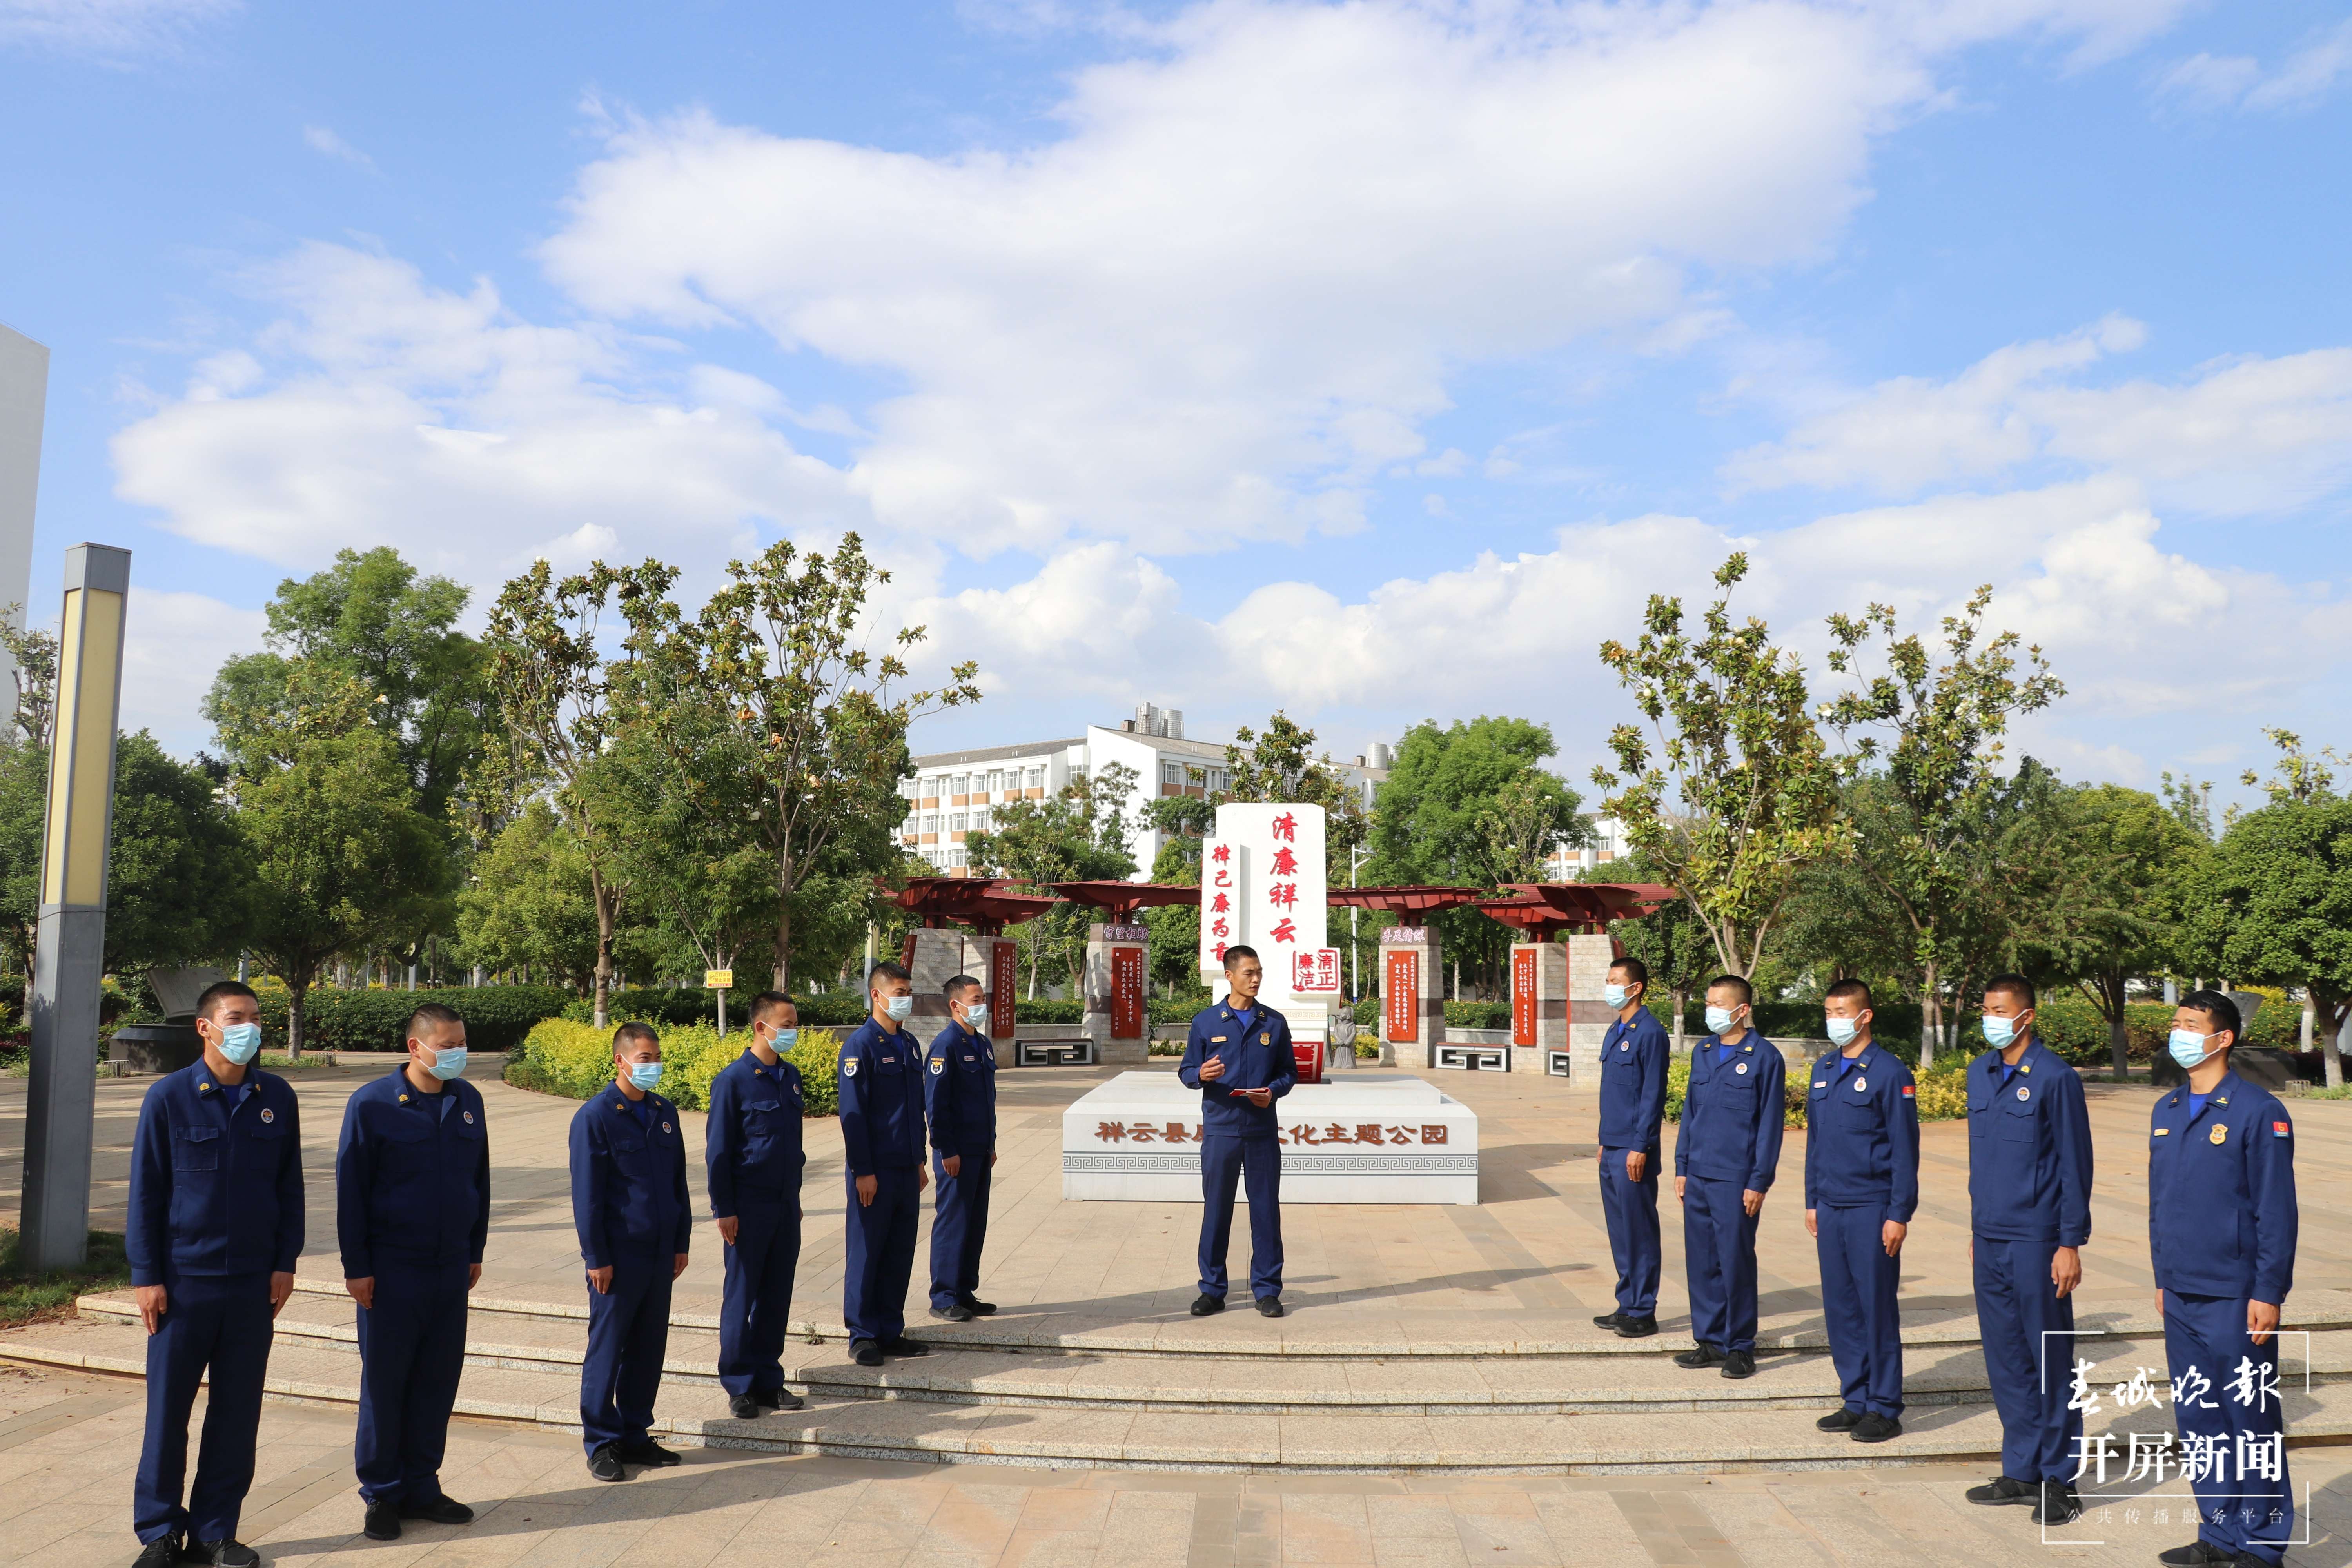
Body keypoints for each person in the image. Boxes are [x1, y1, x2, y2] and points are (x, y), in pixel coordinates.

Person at [126, 980, 301, 1568]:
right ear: (206, 1026)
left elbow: (289, 1187)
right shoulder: (169, 1097)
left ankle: (214, 1531)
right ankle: (159, 1532)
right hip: (183, 1283)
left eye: (255, 1016)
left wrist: (285, 1261)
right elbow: (146, 1193)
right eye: (236, 1017)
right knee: (167, 1414)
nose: (249, 1026)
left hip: (252, 1285)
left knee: (236, 1412)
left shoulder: (276, 1095)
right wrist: (147, 1276)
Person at [2149, 990, 2298, 1568]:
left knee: (2250, 1419)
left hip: (2236, 1295)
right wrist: (2164, 1277)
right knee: (2201, 1418)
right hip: (2183, 1290)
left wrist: (2269, 1291)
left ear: (2223, 1038)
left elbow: (2274, 1210)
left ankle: (2259, 1547)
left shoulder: (2259, 1112)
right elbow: (2162, 1205)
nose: (2178, 1031)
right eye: (2176, 1022)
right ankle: (2217, 1534)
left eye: (2190, 1024)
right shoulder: (2166, 1110)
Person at [335, 1003, 490, 1539]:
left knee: (436, 1379)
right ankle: (381, 1493)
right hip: (391, 1269)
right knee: (386, 1382)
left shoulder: (469, 1102)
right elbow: (351, 1192)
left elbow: (479, 1183)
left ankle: (422, 1484)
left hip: (450, 1268)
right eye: (446, 1045)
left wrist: (475, 1250)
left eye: (461, 1043)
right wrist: (357, 1266)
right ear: (415, 1048)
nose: (456, 1054)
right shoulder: (373, 1104)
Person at [1962, 974, 2093, 1526]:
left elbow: (2074, 1163)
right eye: (1986, 1008)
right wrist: (1976, 1230)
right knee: (2007, 1360)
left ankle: (2060, 1479)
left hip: (2038, 1240)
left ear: (2027, 1016)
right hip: (1990, 1238)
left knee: (2050, 1360)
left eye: (2001, 1009)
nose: (1992, 1018)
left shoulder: (2054, 1077)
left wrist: (2069, 1243)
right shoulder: (1980, 1073)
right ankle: (2021, 1469)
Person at [569, 1022, 692, 1482]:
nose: (652, 1065)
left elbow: (678, 1182)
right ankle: (601, 1441)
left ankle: (635, 1433)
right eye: (644, 1058)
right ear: (620, 1061)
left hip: (660, 1252)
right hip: (618, 1256)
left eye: (656, 1056)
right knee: (609, 1348)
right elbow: (589, 1195)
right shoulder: (596, 1117)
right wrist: (596, 1256)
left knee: (648, 1347)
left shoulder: (664, 1111)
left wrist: (681, 1241)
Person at [1802, 980, 1918, 1444]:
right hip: (1830, 1205)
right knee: (1841, 1308)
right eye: (1829, 1011)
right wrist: (1811, 1199)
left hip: (1872, 1207)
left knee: (1875, 1308)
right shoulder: (1825, 1068)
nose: (1834, 1019)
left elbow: (1905, 1149)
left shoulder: (1890, 1072)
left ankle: (1884, 1405)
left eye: (1842, 1011)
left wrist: (1899, 1212)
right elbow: (1815, 1142)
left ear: (1865, 1015)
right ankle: (1855, 1398)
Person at [1672, 974, 1784, 1380]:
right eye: (1709, 1002)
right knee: (1702, 1261)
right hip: (1698, 1175)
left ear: (1743, 1009)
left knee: (1735, 1260)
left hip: (1736, 1179)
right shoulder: (1704, 1051)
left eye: (1721, 1004)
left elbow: (1771, 1125)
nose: (1712, 1010)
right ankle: (1709, 1339)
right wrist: (1682, 1166)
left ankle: (1740, 1345)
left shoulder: (1765, 1057)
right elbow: (1690, 1114)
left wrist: (1759, 1181)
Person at [704, 992, 810, 1419]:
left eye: (795, 1024)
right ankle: (740, 1383)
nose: (793, 1031)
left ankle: (769, 1379)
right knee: (743, 1294)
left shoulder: (791, 1076)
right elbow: (719, 1153)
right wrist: (724, 1209)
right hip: (747, 1207)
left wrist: (796, 1199)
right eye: (786, 1024)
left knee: (776, 1296)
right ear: (761, 1027)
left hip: (785, 1204)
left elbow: (793, 1147)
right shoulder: (733, 1081)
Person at [1178, 945, 1297, 1318]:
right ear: (1229, 976)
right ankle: (1212, 1290)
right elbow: (1186, 1071)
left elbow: (1289, 1073)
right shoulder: (1206, 1022)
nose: (1256, 979)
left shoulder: (1273, 1023)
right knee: (1217, 1211)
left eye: (1259, 972)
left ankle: (1267, 1290)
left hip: (1261, 1130)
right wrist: (1200, 1075)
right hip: (1221, 1131)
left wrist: (1273, 1092)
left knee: (1265, 1211)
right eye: (1249, 973)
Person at [838, 961, 933, 1367]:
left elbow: (915, 1109)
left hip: (905, 1167)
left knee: (898, 1252)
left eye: (908, 991)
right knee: (867, 1251)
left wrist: (920, 1161)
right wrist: (863, 1170)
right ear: (876, 996)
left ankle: (891, 1329)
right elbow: (853, 1113)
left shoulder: (909, 1043)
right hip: (873, 1171)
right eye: (898, 991)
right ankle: (863, 1334)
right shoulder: (860, 1046)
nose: (905, 999)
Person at [1592, 956, 1668, 1339]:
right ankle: (1627, 1304)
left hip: (1635, 1150)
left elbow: (1653, 1095)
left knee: (1639, 1229)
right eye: (1608, 979)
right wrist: (1606, 1141)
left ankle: (1643, 1310)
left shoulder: (1649, 1032)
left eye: (1615, 980)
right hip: (1613, 1145)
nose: (1609, 986)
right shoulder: (1616, 1029)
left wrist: (1641, 1146)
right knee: (1620, 1231)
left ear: (1635, 987)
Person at [924, 974, 1000, 1323]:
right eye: (975, 999)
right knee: (953, 1223)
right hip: (955, 1153)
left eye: (983, 998)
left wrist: (992, 1144)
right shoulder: (946, 1046)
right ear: (956, 1005)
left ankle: (965, 1292)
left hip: (980, 1150)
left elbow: (988, 1101)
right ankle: (943, 1296)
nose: (981, 1005)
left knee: (974, 1223)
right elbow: (936, 1106)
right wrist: (945, 1149)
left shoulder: (981, 1043)